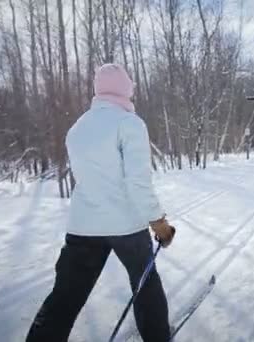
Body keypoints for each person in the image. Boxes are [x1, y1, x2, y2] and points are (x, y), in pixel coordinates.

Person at [26, 64, 175, 342]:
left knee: (66, 295)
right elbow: (138, 183)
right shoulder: (129, 123)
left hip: (83, 226)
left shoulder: (77, 127)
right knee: (145, 285)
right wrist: (159, 223)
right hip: (125, 226)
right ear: (126, 90)